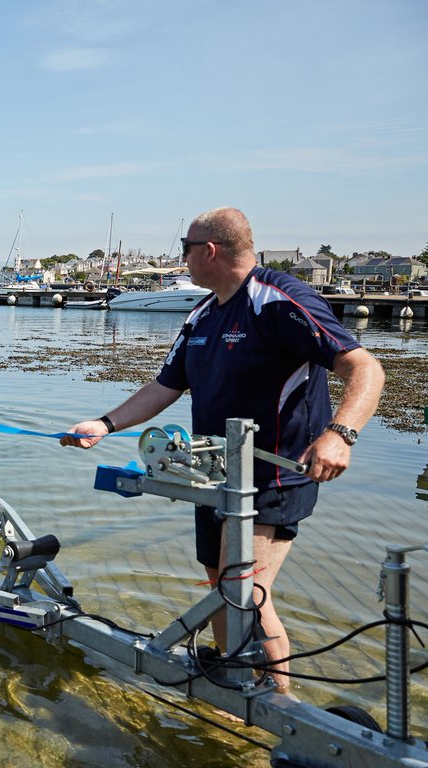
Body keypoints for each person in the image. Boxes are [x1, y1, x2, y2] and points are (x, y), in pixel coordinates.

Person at [60, 207, 384, 693]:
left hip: (273, 479)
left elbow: (365, 368)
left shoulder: (278, 300)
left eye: (185, 250)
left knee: (246, 593)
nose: (182, 259)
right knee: (219, 587)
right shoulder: (202, 314)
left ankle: (279, 709)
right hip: (213, 479)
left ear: (208, 251)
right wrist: (105, 424)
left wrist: (341, 433)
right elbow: (165, 386)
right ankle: (229, 689)